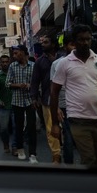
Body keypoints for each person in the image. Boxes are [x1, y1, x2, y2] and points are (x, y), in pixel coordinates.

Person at [50, 24, 97, 168]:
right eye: (81, 39)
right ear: (74, 41)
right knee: (88, 159)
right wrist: (54, 123)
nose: (85, 42)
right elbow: (54, 92)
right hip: (77, 119)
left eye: (88, 39)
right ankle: (89, 188)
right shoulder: (64, 64)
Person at [30, 33, 61, 163]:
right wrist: (34, 97)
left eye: (46, 42)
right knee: (50, 129)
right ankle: (56, 155)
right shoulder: (39, 62)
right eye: (42, 42)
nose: (42, 44)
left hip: (66, 99)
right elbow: (35, 81)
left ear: (53, 44)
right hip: (47, 100)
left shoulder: (63, 58)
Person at [7, 44, 37, 163]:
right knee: (18, 127)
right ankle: (20, 149)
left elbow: (37, 83)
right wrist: (18, 85)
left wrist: (30, 86)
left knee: (31, 127)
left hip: (30, 100)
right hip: (17, 101)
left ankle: (33, 154)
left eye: (16, 53)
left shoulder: (33, 66)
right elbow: (7, 84)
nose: (14, 56)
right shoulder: (12, 67)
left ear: (23, 53)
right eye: (13, 54)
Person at [50, 34, 76, 164]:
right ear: (65, 46)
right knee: (69, 137)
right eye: (72, 45)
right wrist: (57, 108)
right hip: (65, 105)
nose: (75, 48)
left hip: (81, 106)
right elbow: (53, 89)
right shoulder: (57, 64)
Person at [0, 54, 14, 154]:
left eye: (6, 62)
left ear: (9, 62)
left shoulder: (14, 74)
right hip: (4, 106)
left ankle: (15, 146)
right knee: (4, 128)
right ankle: (5, 143)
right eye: (3, 62)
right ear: (0, 64)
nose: (5, 64)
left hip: (15, 105)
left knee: (16, 127)